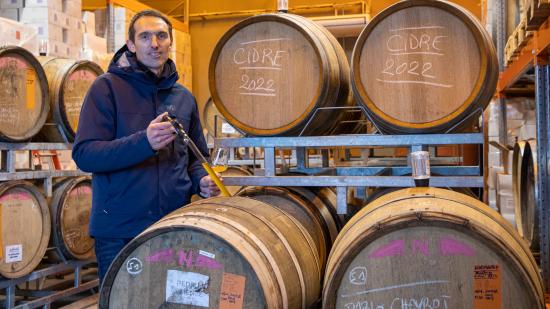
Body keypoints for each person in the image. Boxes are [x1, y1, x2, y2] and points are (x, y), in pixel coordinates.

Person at [72, 9, 221, 283]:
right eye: (145, 37)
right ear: (131, 44)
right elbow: (85, 154)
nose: (154, 44)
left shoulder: (183, 97)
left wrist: (201, 181)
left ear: (170, 42)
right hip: (121, 231)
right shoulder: (106, 89)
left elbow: (196, 157)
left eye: (161, 36)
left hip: (174, 226)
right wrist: (144, 142)